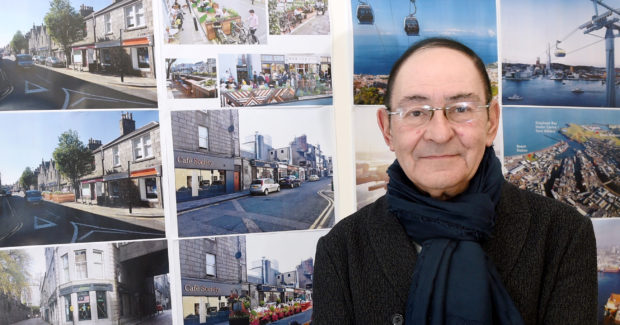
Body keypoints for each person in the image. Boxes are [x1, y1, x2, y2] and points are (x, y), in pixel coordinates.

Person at [312, 38, 597, 325]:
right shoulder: (342, 251)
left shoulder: (563, 235)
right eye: (416, 112)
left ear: (492, 122)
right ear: (387, 131)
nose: (439, 134)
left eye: (461, 109)